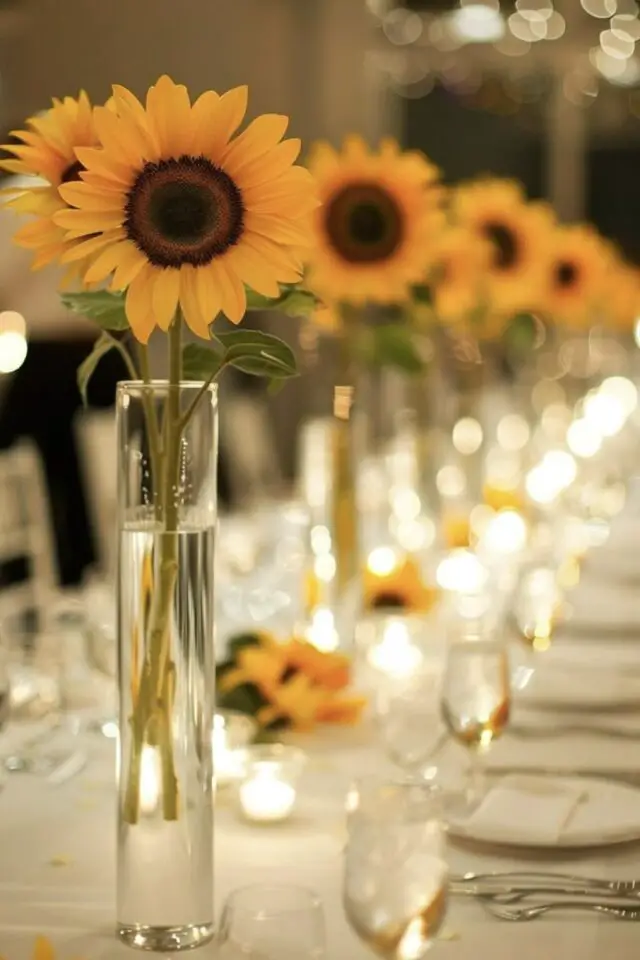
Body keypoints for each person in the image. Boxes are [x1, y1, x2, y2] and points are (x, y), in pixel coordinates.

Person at [0, 173, 127, 586]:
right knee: (97, 478)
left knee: (52, 479)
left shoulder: (19, 201)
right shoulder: (111, 187)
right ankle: (95, 578)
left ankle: (62, 580)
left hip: (55, 359)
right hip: (100, 350)